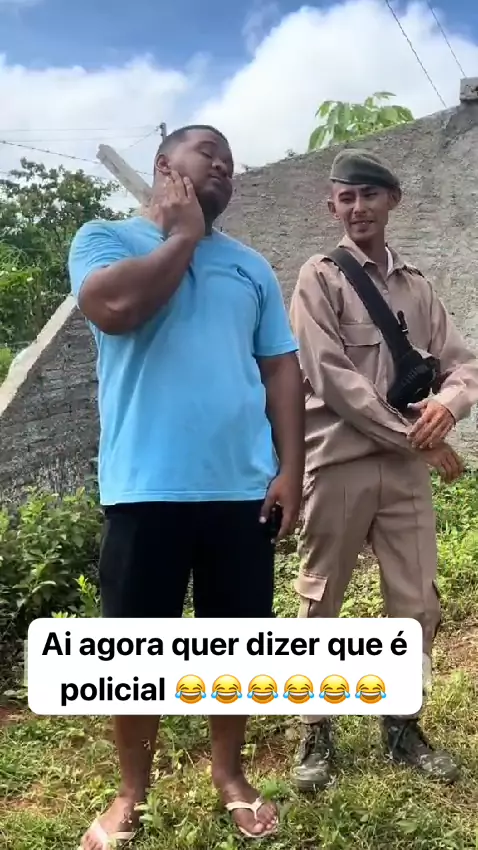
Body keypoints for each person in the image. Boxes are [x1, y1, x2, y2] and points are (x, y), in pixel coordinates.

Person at [68, 124, 305, 848]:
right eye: (210, 155)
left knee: (235, 647)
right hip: (145, 491)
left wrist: (291, 469)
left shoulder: (250, 267)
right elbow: (114, 310)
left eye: (232, 162)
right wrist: (183, 238)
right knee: (136, 656)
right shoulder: (105, 239)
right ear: (164, 165)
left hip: (242, 493)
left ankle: (230, 774)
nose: (225, 167)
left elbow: (280, 368)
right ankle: (131, 792)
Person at [288, 148, 478, 793]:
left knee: (417, 600)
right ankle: (316, 728)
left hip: (403, 472)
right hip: (339, 462)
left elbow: (462, 364)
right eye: (346, 198)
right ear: (332, 207)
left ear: (392, 200)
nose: (358, 208)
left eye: (369, 195)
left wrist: (448, 407)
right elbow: (331, 379)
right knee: (322, 600)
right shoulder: (319, 278)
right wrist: (415, 440)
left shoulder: (418, 287)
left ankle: (402, 723)